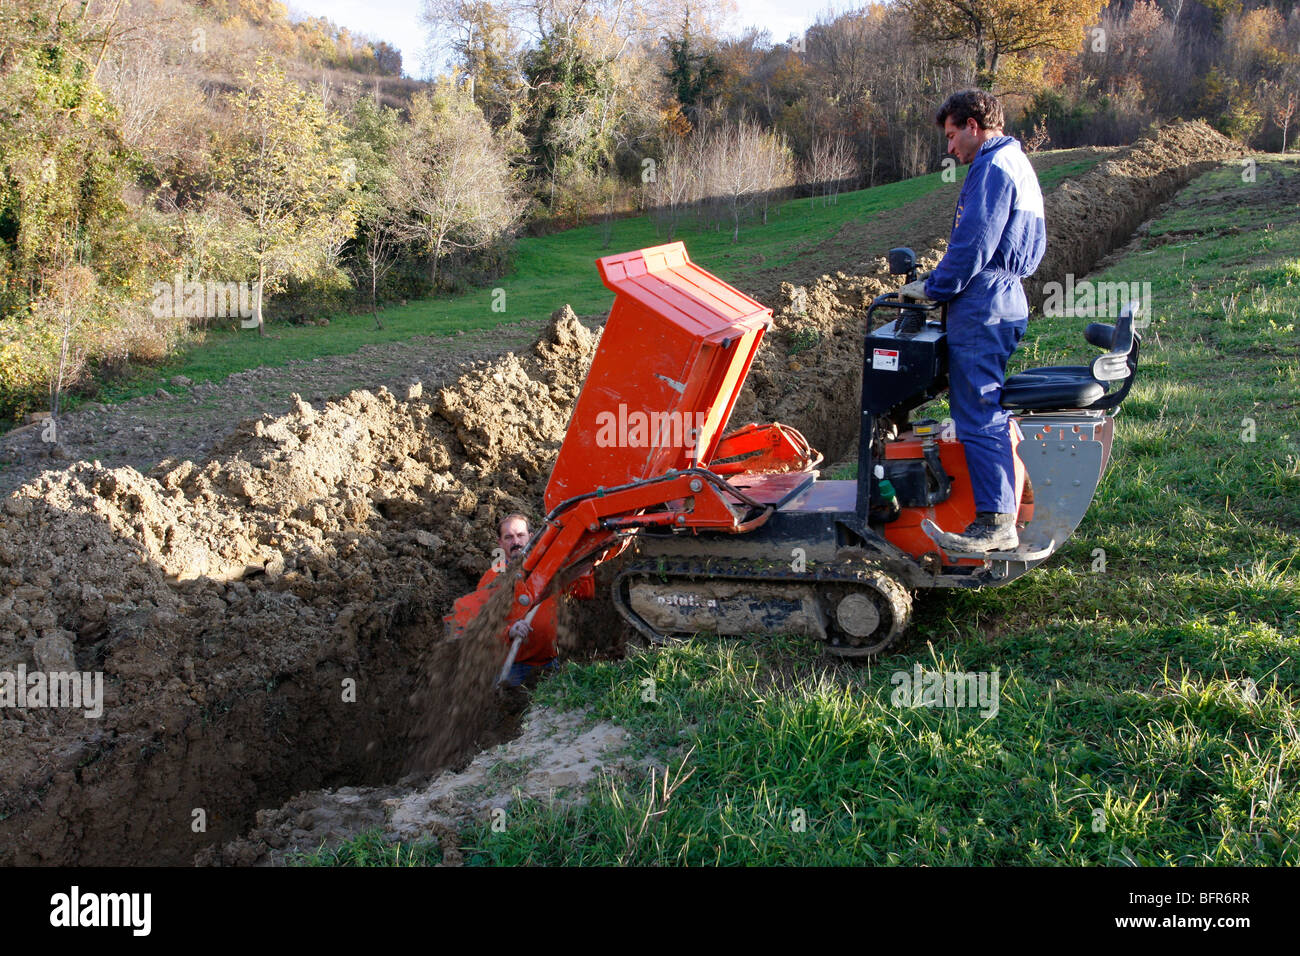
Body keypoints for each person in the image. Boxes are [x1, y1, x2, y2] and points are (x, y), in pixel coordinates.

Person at [898, 89, 1046, 553]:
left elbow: (974, 243)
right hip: (1001, 295)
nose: (950, 149)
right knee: (980, 406)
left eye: (951, 135)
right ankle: (997, 503)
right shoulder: (1015, 161)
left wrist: (934, 287)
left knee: (977, 411)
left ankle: (995, 522)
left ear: (973, 125)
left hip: (983, 302)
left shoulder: (992, 166)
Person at [449, 513, 593, 687]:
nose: (515, 542)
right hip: (510, 669)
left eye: (520, 535)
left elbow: (583, 594)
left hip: (548, 664)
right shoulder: (495, 577)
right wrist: (509, 631)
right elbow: (480, 624)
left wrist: (585, 567)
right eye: (508, 537)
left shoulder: (548, 569)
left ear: (531, 538)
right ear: (500, 543)